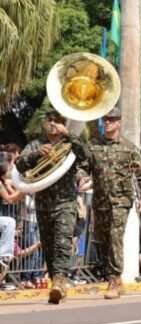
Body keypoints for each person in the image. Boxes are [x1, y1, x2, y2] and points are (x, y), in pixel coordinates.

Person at [14, 106, 91, 303]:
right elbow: (20, 164)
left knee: (62, 242)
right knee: (48, 245)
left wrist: (71, 135)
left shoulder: (70, 143)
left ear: (63, 124)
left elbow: (85, 156)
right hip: (43, 203)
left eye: (57, 120)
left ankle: (59, 281)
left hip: (65, 202)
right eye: (49, 120)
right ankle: (55, 282)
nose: (53, 124)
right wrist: (36, 155)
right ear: (43, 124)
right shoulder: (35, 144)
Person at [83, 107, 141, 299]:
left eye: (112, 120)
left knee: (114, 237)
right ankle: (114, 278)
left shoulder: (129, 148)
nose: (108, 123)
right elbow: (83, 166)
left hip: (121, 200)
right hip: (100, 200)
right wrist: (81, 177)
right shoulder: (93, 145)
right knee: (103, 240)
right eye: (105, 120)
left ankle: (114, 277)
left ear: (119, 122)